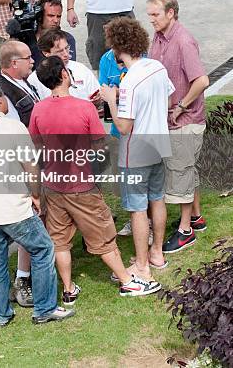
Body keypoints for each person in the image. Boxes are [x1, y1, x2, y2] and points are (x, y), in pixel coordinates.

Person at [29, 56, 161, 299]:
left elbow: (35, 150)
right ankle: (127, 282)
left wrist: (36, 192)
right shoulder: (84, 107)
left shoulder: (38, 109)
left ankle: (68, 290)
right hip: (81, 185)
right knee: (103, 235)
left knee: (59, 240)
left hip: (52, 186)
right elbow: (100, 149)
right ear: (64, 76)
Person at [0, 80, 74, 325]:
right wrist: (35, 195)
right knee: (43, 249)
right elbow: (31, 168)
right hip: (15, 208)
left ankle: (1, 315)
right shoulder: (13, 127)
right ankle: (44, 308)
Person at [100, 17, 174, 281]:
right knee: (157, 198)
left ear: (116, 47)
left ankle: (142, 265)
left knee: (137, 208)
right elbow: (167, 96)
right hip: (159, 144)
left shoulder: (130, 81)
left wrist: (111, 100)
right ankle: (157, 254)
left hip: (136, 152)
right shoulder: (157, 67)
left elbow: (123, 127)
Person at [147, 0, 209, 253]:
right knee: (186, 170)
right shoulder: (159, 38)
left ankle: (186, 231)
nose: (151, 20)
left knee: (181, 173)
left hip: (186, 121)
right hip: (169, 121)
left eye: (155, 15)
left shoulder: (183, 41)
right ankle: (196, 217)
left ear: (171, 13)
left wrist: (181, 105)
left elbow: (202, 81)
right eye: (149, 15)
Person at [0, 39, 40, 307]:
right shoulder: (3, 93)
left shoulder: (24, 83)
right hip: (21, 166)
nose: (32, 60)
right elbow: (14, 137)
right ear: (13, 64)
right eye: (27, 57)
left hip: (34, 159)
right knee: (28, 220)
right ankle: (23, 278)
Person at [28, 28, 100, 102]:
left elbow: (96, 92)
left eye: (67, 48)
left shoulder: (81, 69)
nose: (66, 54)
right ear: (46, 53)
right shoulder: (34, 79)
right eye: (60, 51)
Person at [31, 0, 76, 66]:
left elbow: (69, 66)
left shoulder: (68, 39)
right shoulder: (27, 40)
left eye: (58, 16)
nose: (56, 20)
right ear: (40, 17)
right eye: (51, 16)